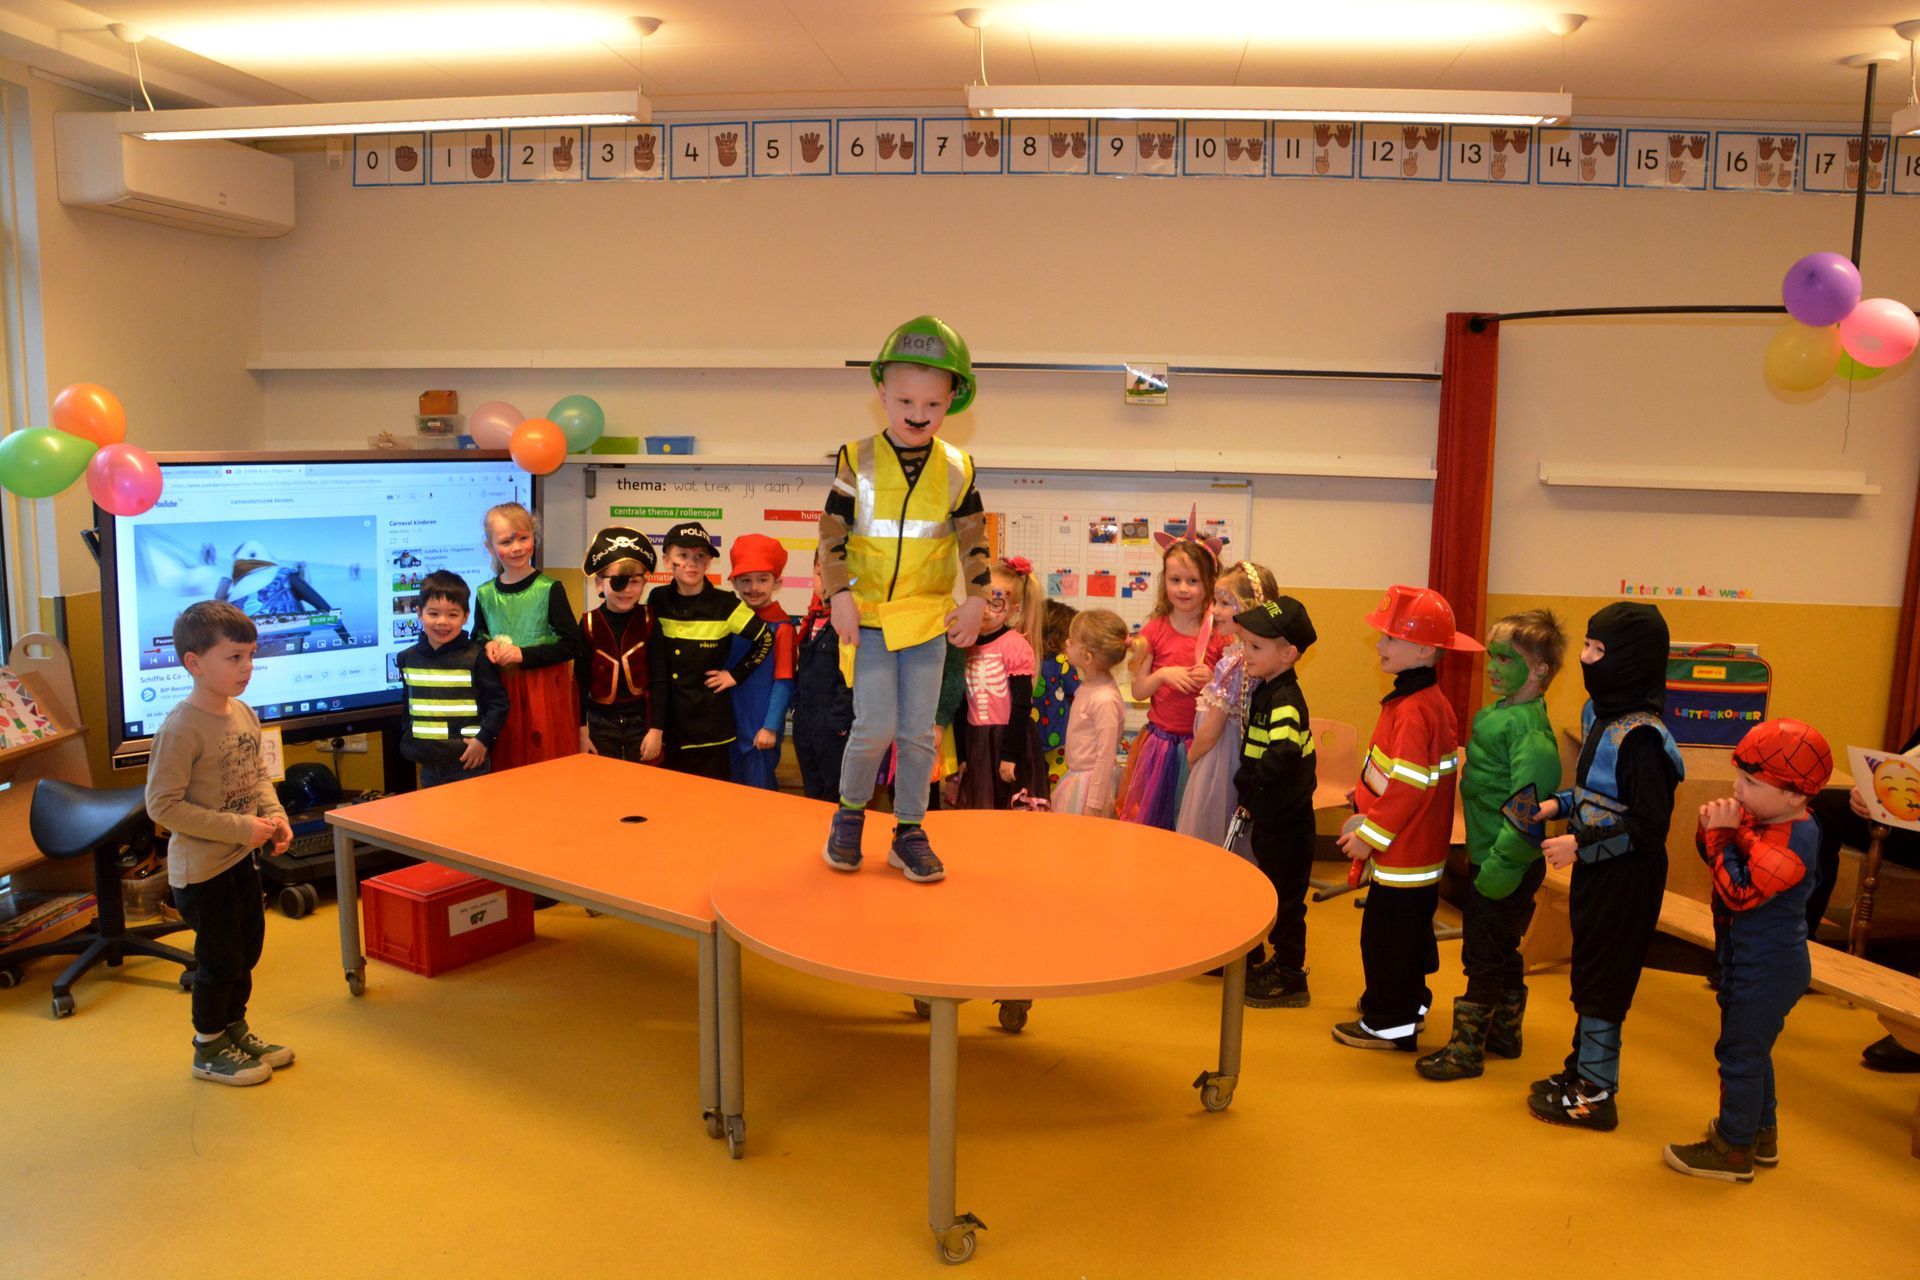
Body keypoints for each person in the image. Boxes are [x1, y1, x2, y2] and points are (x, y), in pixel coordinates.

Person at [819, 316, 991, 883]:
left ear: (952, 401)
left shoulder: (958, 468)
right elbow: (831, 534)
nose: (919, 414)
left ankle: (909, 831)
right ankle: (849, 815)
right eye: (906, 401)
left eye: (933, 404)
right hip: (868, 617)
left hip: (926, 619)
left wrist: (977, 600)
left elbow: (972, 539)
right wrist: (838, 594)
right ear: (881, 393)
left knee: (920, 732)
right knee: (874, 727)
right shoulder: (857, 458)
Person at [1527, 602, 1684, 1130]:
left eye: (1600, 650)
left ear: (1633, 659)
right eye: (1588, 646)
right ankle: (1580, 1072)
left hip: (1628, 876)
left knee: (1606, 982)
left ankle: (1596, 1093)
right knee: (1590, 970)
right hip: (1598, 869)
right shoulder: (1600, 715)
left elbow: (1646, 827)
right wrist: (1556, 804)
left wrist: (1580, 845)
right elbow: (1597, 793)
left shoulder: (1644, 738)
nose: (1587, 659)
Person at [1664, 719, 1832, 1181]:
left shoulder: (1794, 842)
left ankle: (1733, 1149)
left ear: (1795, 795)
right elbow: (1722, 863)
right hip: (1746, 959)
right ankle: (1761, 1133)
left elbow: (1739, 892)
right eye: (1739, 776)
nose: (1737, 787)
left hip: (1766, 967)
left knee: (1739, 1054)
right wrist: (1712, 832)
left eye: (1752, 783)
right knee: (1754, 1049)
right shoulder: (1768, 818)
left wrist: (1723, 837)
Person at [144, 601, 294, 1087]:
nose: (247, 667)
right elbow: (162, 806)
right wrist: (239, 829)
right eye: (234, 658)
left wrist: (274, 816)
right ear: (194, 663)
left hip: (241, 861)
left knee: (247, 949)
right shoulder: (180, 729)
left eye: (251, 656)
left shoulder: (243, 713)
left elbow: (258, 777)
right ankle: (208, 1047)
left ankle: (234, 1028)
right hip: (202, 871)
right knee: (221, 959)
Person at [1418, 609, 1567, 1082]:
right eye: (1493, 656)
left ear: (1539, 670)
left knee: (1482, 955)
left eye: (1507, 658)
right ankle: (1504, 1032)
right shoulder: (1503, 714)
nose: (1495, 667)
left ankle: (1466, 1051)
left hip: (1507, 862)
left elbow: (1528, 809)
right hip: (1491, 855)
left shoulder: (1528, 729)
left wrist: (1501, 864)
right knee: (1502, 947)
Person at [1333, 585, 1481, 1052]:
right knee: (1410, 934)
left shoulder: (1415, 708)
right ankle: (1408, 1002)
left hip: (1403, 851)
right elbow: (1401, 773)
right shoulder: (1425, 700)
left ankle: (1389, 1022)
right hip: (1417, 847)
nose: (1379, 644)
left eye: (1390, 638)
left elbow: (1410, 785)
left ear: (1423, 650)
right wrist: (1364, 796)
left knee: (1386, 939)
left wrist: (1370, 835)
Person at [1808, 725, 1920, 1072]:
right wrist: (1871, 792)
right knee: (1819, 809)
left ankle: (1915, 1028)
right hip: (1907, 815)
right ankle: (1796, 947)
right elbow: (1901, 766)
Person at [1232, 596, 1320, 1010]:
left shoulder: (1284, 699)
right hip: (1273, 815)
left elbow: (1282, 753)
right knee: (1277, 893)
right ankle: (1282, 962)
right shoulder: (1269, 689)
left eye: (1255, 647)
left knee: (1286, 901)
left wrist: (1251, 786)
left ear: (1288, 654)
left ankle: (1290, 976)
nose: (1245, 653)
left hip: (1288, 822)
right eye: (1245, 644)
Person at [1118, 511, 1229, 829]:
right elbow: (1139, 691)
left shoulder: (1220, 635)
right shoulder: (1153, 631)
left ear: (1209, 584)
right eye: (1175, 580)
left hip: (1201, 745)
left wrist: (1213, 679)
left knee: (1191, 821)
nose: (1183, 589)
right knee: (1155, 823)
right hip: (1160, 747)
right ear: (1164, 580)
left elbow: (1231, 696)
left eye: (1193, 581)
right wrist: (1164, 675)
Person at [647, 521, 772, 780]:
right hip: (668, 725)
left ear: (708, 563)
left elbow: (765, 639)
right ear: (667, 560)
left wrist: (735, 675)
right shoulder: (657, 599)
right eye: (683, 555)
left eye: (700, 556)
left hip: (710, 728)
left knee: (710, 798)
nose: (691, 563)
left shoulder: (725, 604)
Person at [473, 502, 585, 770]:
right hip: (501, 695)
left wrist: (523, 654)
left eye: (523, 538)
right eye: (506, 541)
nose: (517, 547)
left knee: (543, 763)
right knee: (507, 763)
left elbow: (573, 644)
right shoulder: (485, 594)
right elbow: (477, 637)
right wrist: (486, 646)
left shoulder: (549, 589)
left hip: (543, 695)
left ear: (534, 537)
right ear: (490, 547)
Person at [1178, 560, 1279, 848]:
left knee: (1209, 838)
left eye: (1225, 603)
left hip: (1217, 765)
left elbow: (1212, 730)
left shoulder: (1234, 663)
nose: (1214, 610)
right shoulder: (1250, 657)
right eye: (1215, 602)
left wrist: (1192, 758)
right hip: (1234, 759)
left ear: (1249, 607)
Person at [395, 570, 508, 788]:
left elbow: (498, 703)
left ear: (465, 616)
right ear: (419, 613)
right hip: (428, 762)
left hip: (468, 761)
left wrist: (483, 740)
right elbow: (408, 704)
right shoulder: (407, 658)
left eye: (452, 615)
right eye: (433, 613)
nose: (442, 622)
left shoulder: (476, 658)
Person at [954, 559, 1042, 810]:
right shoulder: (966, 642)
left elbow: (1022, 705)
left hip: (1008, 741)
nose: (984, 610)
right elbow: (962, 703)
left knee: (1008, 809)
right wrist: (962, 753)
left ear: (1013, 609)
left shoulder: (1014, 645)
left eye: (995, 603)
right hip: (977, 741)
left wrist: (1010, 755)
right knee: (980, 809)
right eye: (980, 600)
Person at [576, 525, 660, 763]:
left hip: (641, 721)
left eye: (635, 581)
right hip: (600, 722)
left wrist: (657, 729)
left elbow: (659, 678)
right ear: (599, 583)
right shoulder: (588, 623)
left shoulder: (650, 620)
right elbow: (580, 681)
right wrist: (581, 730)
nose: (628, 590)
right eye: (618, 582)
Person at [726, 533, 797, 789]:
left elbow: (784, 682)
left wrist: (771, 727)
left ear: (777, 583)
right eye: (746, 580)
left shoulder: (782, 627)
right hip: (727, 725)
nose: (753, 587)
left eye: (762, 579)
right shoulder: (728, 621)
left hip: (759, 729)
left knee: (760, 795)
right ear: (734, 583)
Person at [1050, 609, 1129, 817]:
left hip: (1090, 788)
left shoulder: (1104, 700)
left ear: (1087, 657)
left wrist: (1094, 804)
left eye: (1072, 641)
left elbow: (1105, 756)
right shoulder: (1089, 687)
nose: (1066, 643)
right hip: (1078, 779)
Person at [790, 554, 855, 801]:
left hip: (834, 727)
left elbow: (850, 678)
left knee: (835, 792)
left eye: (837, 576)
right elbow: (802, 669)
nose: (827, 582)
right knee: (812, 790)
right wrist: (796, 708)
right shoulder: (812, 620)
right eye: (820, 574)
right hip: (806, 723)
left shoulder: (851, 622)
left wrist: (839, 722)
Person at [1032, 599, 1081, 793]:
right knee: (1058, 783)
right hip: (1058, 735)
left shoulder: (1028, 657)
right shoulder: (1062, 662)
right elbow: (1077, 692)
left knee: (1034, 781)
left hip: (1032, 735)